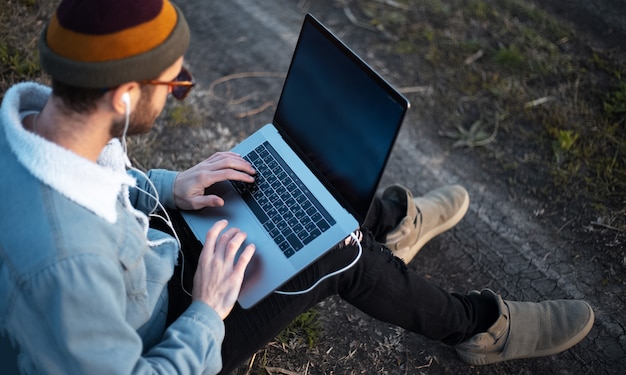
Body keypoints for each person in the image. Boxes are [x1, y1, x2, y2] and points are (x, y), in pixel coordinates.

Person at [0, 0, 594, 374]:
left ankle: (378, 221)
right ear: (123, 95)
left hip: (139, 264)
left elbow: (98, 182)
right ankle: (478, 326)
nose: (181, 85)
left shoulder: (38, 128)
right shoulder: (66, 268)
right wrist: (207, 312)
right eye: (173, 83)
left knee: (280, 195)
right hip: (165, 327)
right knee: (334, 252)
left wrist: (168, 186)